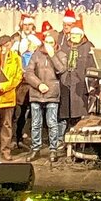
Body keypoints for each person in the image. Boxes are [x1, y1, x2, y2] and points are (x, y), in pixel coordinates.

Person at [53, 13, 96, 157]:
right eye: (72, 35)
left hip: (80, 86)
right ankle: (62, 140)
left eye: (76, 35)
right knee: (64, 114)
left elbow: (93, 66)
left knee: (79, 114)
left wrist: (91, 85)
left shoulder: (88, 47)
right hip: (65, 84)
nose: (73, 37)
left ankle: (81, 143)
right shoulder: (64, 46)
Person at [23, 27, 63, 159]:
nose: (48, 45)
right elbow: (28, 73)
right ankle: (36, 148)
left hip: (52, 94)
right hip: (36, 93)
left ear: (55, 43)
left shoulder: (61, 55)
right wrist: (39, 84)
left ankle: (53, 149)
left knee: (52, 123)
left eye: (51, 42)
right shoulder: (36, 54)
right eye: (46, 42)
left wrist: (53, 55)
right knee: (36, 123)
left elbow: (61, 69)